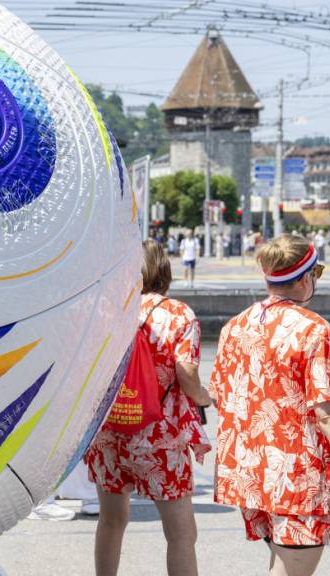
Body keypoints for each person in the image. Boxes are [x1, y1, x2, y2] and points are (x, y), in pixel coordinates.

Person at [209, 235, 330, 576]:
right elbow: (329, 412)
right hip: (296, 476)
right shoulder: (312, 330)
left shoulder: (235, 326)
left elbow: (221, 394)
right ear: (305, 278)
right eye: (316, 271)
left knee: (282, 563)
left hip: (249, 471)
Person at [85, 239, 212, 576]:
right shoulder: (179, 315)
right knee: (181, 533)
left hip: (109, 431)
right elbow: (186, 374)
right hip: (159, 437)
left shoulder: (108, 309)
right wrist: (203, 397)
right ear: (164, 269)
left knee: (111, 520)